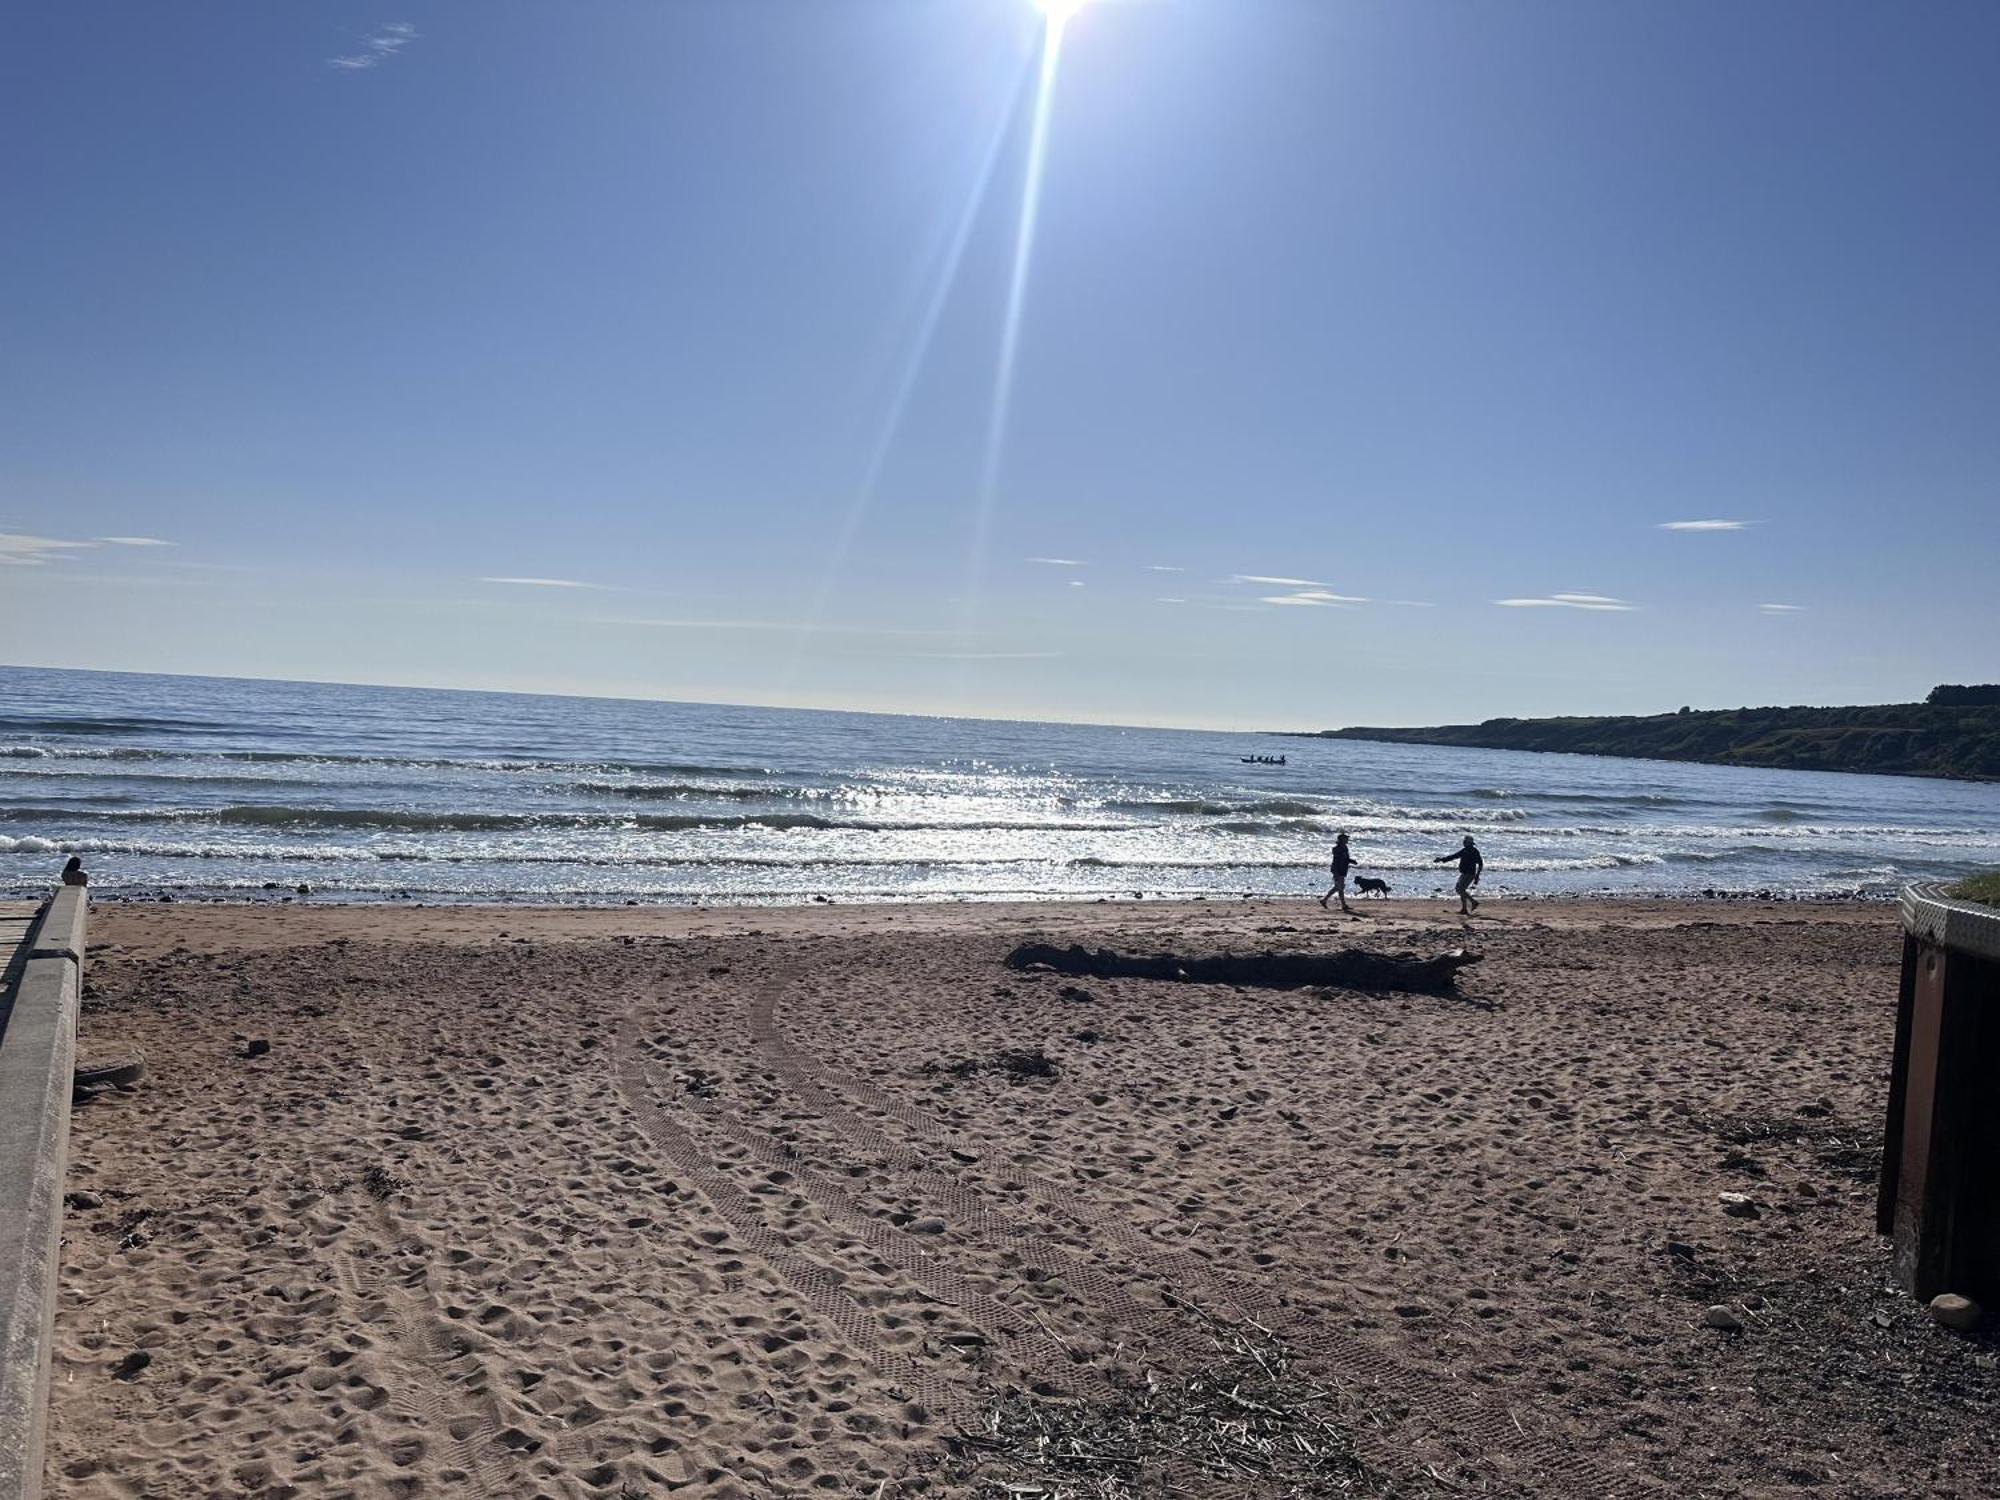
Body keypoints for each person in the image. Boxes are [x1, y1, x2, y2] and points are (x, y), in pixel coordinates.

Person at [1433, 836, 1482, 914]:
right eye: (1464, 841)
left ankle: (1473, 902)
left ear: (1470, 843)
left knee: (1460, 889)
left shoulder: (1474, 851)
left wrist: (1477, 875)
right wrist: (1441, 859)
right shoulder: (1464, 850)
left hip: (1470, 874)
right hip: (1464, 873)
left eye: (1465, 841)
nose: (1464, 843)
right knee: (1460, 889)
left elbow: (1480, 864)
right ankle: (1464, 909)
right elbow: (1454, 856)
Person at [1319, 832, 1355, 913]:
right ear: (1342, 840)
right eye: (1346, 838)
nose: (1347, 840)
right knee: (1340, 887)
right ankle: (1344, 905)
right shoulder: (1337, 849)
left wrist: (1352, 861)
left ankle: (1324, 900)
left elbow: (1346, 859)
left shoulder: (1345, 848)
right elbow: (1338, 861)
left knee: (1338, 887)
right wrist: (1336, 872)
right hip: (1337, 869)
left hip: (1342, 869)